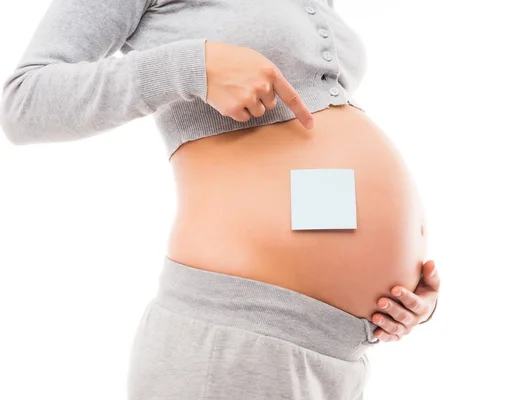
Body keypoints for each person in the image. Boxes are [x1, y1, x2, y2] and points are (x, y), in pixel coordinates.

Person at [0, 0, 441, 398]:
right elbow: (23, 104)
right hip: (234, 338)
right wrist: (191, 66)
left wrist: (402, 294)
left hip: (340, 352)